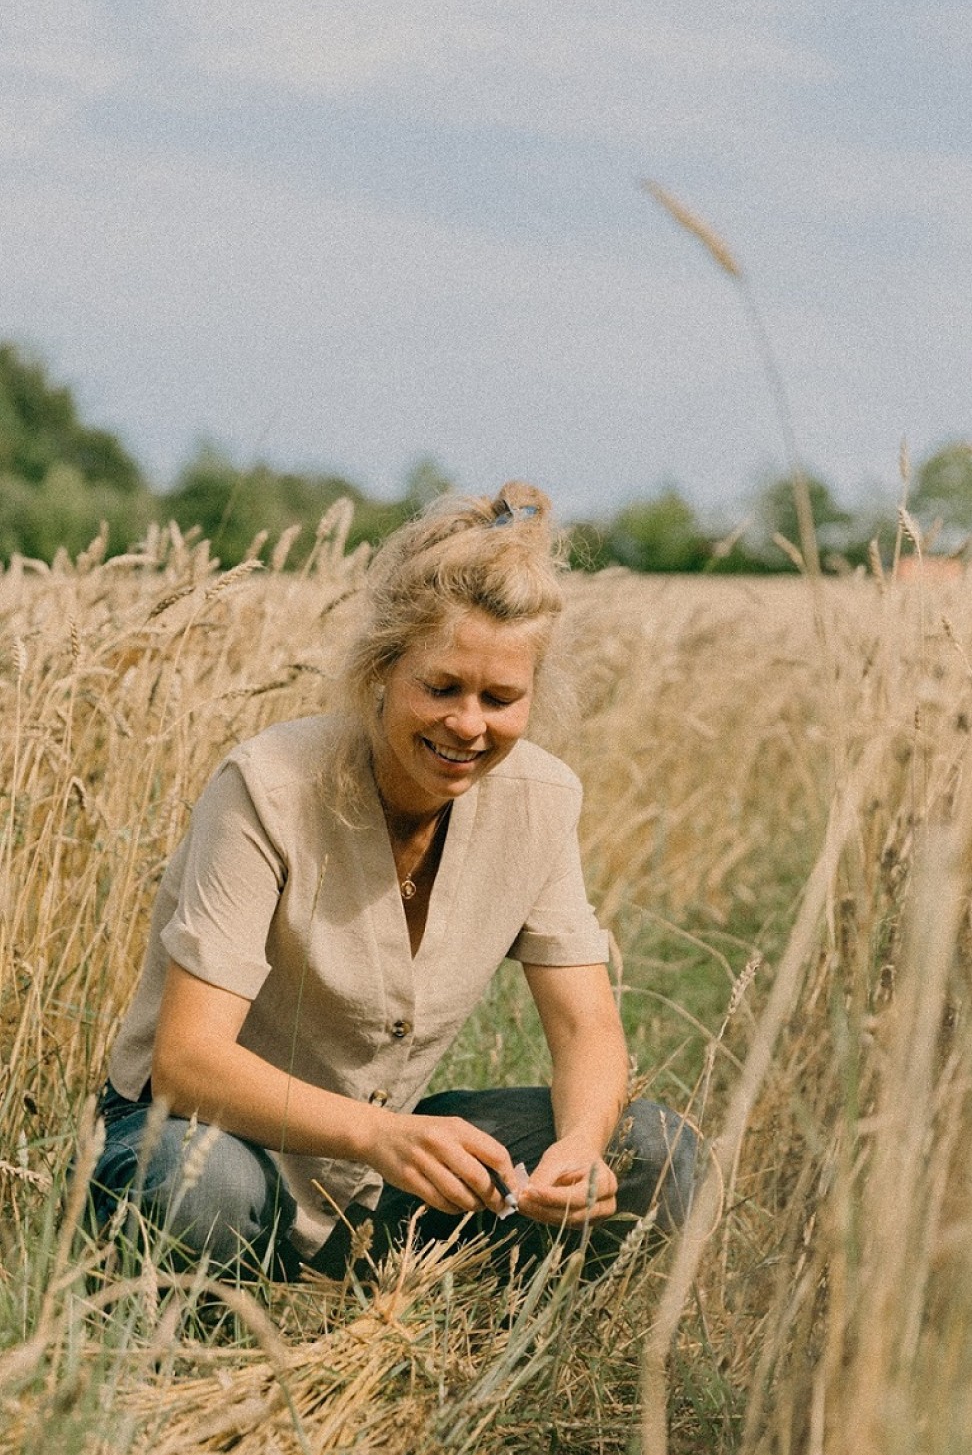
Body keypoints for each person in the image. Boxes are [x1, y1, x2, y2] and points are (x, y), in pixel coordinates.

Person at [89, 482, 697, 1282]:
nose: (470, 725)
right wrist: (380, 1138)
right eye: (441, 688)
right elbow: (189, 1062)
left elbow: (586, 1030)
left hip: (377, 1173)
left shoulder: (543, 801)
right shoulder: (268, 786)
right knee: (200, 1186)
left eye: (501, 698)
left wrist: (578, 1152)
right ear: (380, 671)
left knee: (654, 1151)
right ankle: (200, 1331)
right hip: (200, 1140)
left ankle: (454, 1323)